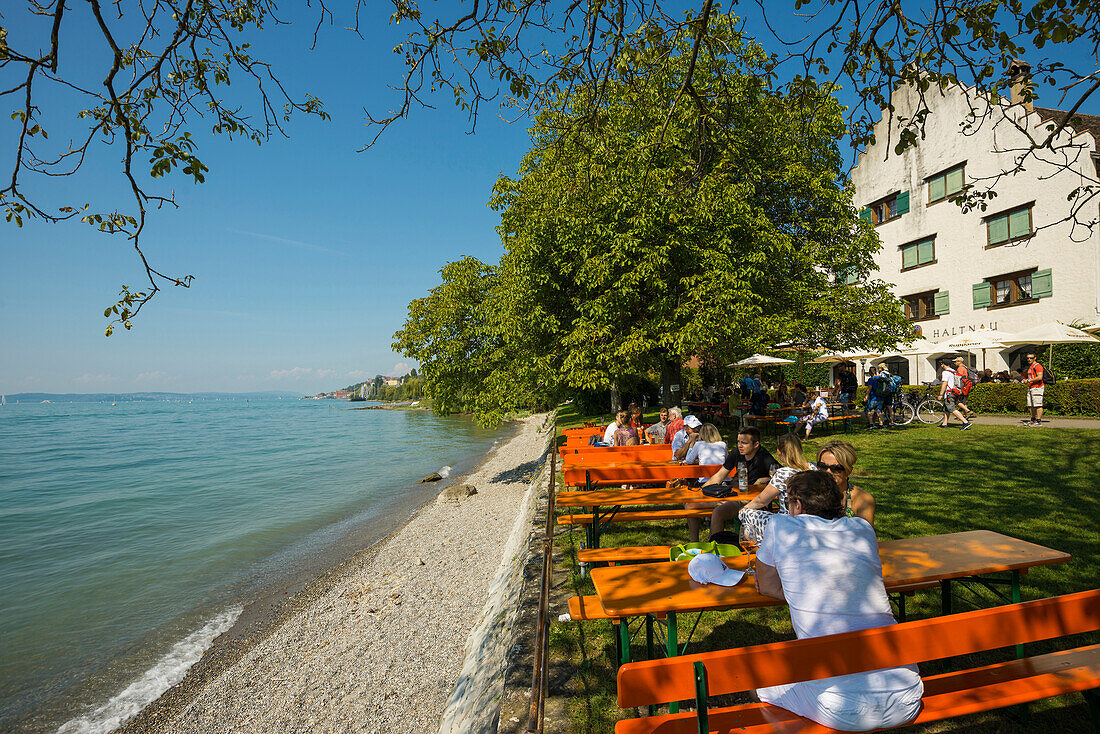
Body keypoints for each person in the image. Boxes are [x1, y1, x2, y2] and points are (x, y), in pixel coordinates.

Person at [749, 470, 924, 731]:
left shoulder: (781, 526)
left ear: (796, 505)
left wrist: (803, 590)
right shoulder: (862, 528)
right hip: (908, 695)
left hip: (839, 707)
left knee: (755, 677)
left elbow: (766, 585)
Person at [710, 432, 812, 539]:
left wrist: (743, 509)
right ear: (800, 449)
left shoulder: (783, 473)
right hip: (809, 520)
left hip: (787, 522)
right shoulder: (813, 468)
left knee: (747, 513)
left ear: (779, 452)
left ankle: (752, 548)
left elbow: (761, 500)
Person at [686, 426, 775, 541]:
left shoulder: (765, 457)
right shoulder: (736, 453)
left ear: (756, 444)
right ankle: (694, 544)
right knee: (690, 505)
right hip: (732, 495)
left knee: (718, 513)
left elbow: (781, 476)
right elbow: (720, 475)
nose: (739, 445)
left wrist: (765, 479)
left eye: (744, 443)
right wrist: (700, 492)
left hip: (750, 501)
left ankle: (714, 548)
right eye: (738, 441)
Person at [816, 441, 875, 523]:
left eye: (836, 468)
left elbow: (865, 534)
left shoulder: (863, 500)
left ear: (848, 471)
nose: (828, 472)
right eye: (823, 466)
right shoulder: (807, 493)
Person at [937, 360, 972, 429]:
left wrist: (941, 394)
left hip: (949, 393)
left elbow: (945, 383)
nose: (941, 365)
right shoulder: (953, 371)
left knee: (952, 409)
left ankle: (965, 422)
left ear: (943, 364)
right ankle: (944, 424)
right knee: (946, 409)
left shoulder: (945, 372)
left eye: (941, 364)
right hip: (955, 392)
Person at [1025, 352, 1045, 426]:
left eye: (1031, 358)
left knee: (1037, 404)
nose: (1029, 359)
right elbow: (1032, 377)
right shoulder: (1031, 366)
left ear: (1035, 358)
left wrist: (1029, 380)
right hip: (1031, 387)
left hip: (1037, 387)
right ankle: (1033, 419)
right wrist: (1026, 380)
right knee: (1030, 404)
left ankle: (1038, 420)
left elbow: (1040, 377)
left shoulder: (1037, 366)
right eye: (1028, 358)